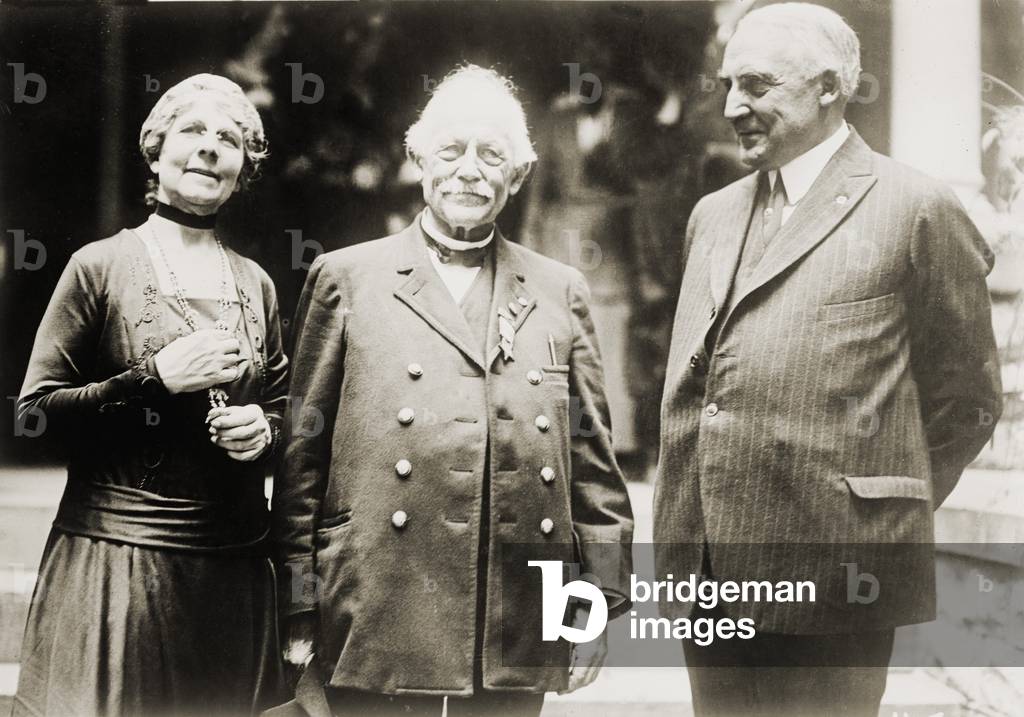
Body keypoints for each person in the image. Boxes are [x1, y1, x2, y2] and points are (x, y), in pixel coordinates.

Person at [654, 4, 1002, 716]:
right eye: (727, 85)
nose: (733, 106)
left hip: (838, 574)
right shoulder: (712, 215)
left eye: (755, 84)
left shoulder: (917, 209)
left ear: (827, 87)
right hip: (709, 567)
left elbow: (966, 400)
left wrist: (874, 508)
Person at [271, 65, 633, 717]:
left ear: (517, 176)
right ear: (418, 161)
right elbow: (301, 461)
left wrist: (597, 601)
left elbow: (594, 471)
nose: (470, 170)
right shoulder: (347, 278)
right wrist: (298, 602)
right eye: (452, 150)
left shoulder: (560, 289)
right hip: (378, 597)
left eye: (491, 154)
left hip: (516, 608)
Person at [14, 74, 288, 716]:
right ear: (156, 151)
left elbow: (286, 412)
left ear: (244, 167)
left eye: (228, 138)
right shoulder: (100, 266)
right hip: (118, 569)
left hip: (233, 573)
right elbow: (33, 417)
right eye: (192, 131)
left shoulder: (257, 283)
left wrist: (264, 430)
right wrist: (153, 380)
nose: (210, 148)